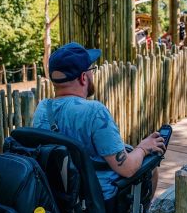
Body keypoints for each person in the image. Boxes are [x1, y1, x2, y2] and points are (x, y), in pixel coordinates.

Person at [33, 42, 166, 203]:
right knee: (150, 167)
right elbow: (128, 169)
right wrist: (143, 148)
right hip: (97, 202)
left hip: (59, 198)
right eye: (91, 70)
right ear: (83, 77)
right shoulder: (94, 112)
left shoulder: (42, 108)